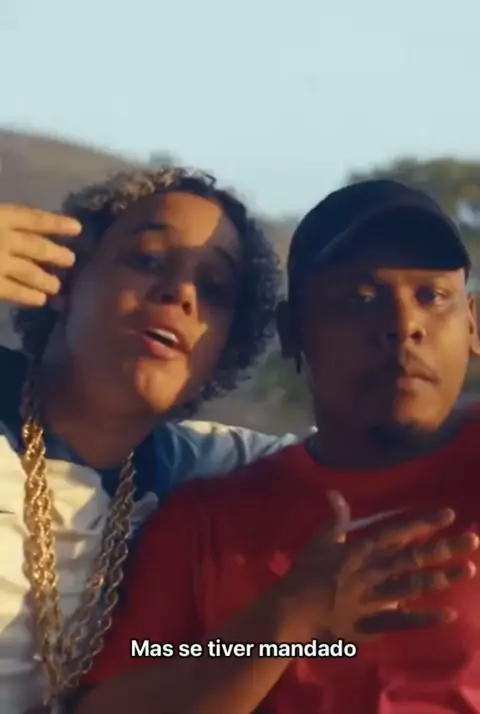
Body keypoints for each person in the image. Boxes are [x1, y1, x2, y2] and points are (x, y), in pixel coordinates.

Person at [76, 179, 480, 714]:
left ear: (472, 323)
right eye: (359, 300)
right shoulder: (209, 523)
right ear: (292, 333)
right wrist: (287, 621)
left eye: (432, 297)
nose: (403, 326)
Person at [0, 168, 302, 714]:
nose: (180, 292)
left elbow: (384, 457)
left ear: (224, 353)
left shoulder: (206, 471)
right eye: (148, 259)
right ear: (63, 278)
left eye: (214, 289)